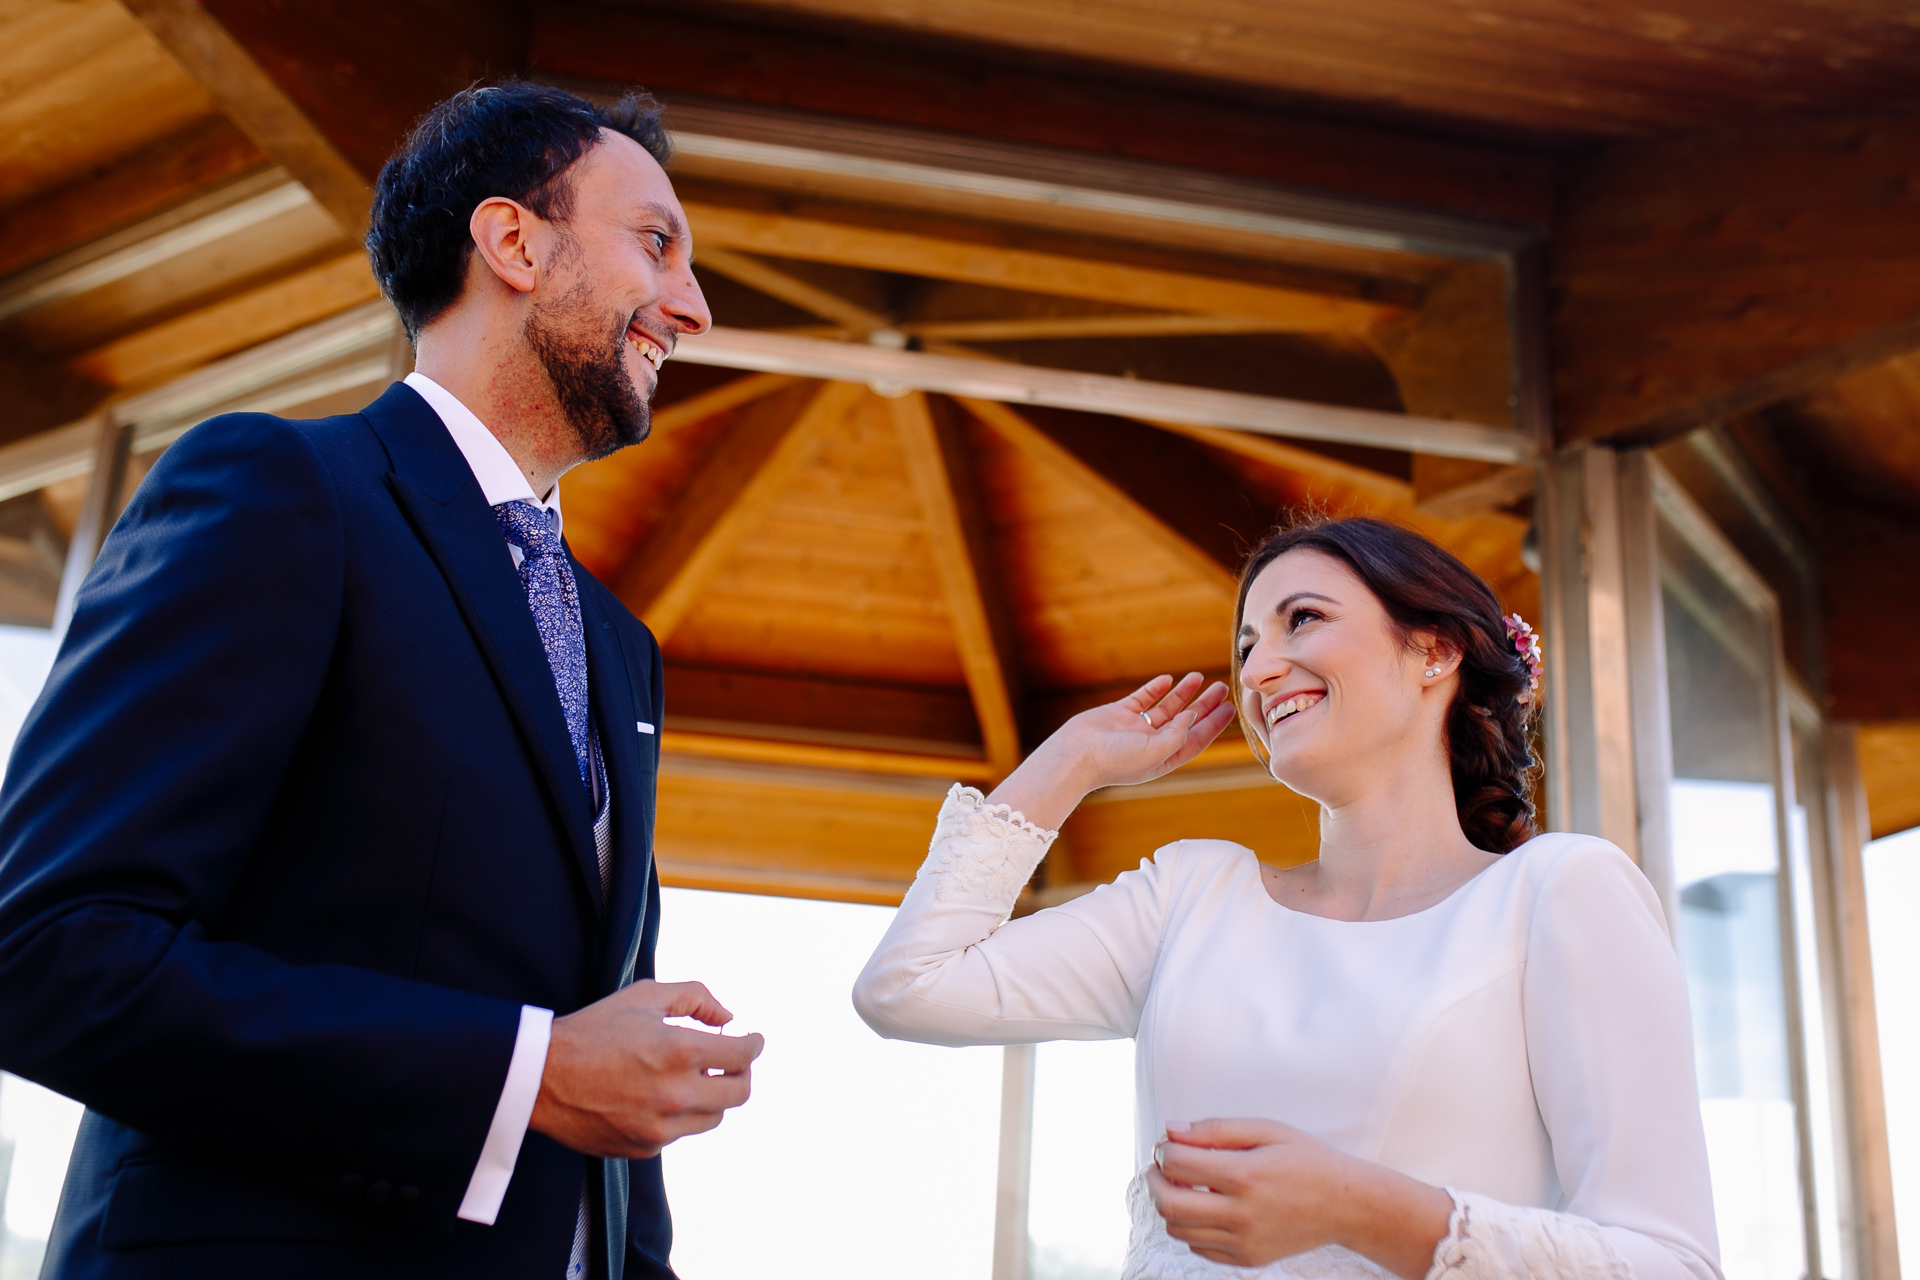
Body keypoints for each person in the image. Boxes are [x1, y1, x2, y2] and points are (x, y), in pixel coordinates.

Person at [0, 82, 763, 1280]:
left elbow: (595, 1048)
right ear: (513, 241)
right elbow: (44, 949)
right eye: (656, 243)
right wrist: (528, 1072)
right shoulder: (281, 490)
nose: (694, 307)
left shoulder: (620, 644)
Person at [854, 517, 1722, 1280]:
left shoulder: (1558, 893)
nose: (1261, 669)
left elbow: (1671, 1264)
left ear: (1436, 649)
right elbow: (909, 987)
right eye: (1244, 647)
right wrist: (1070, 760)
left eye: (1301, 619)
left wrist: (1358, 1206)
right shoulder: (1193, 895)